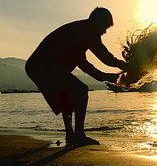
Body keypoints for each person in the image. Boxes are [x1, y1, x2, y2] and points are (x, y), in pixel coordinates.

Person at [25, 7, 128, 146]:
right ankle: (78, 135)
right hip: (42, 64)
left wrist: (111, 77)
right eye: (104, 27)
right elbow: (105, 58)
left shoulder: (79, 32)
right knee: (80, 91)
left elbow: (86, 66)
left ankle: (71, 135)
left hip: (37, 66)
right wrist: (127, 66)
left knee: (67, 95)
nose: (104, 32)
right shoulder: (87, 31)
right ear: (97, 21)